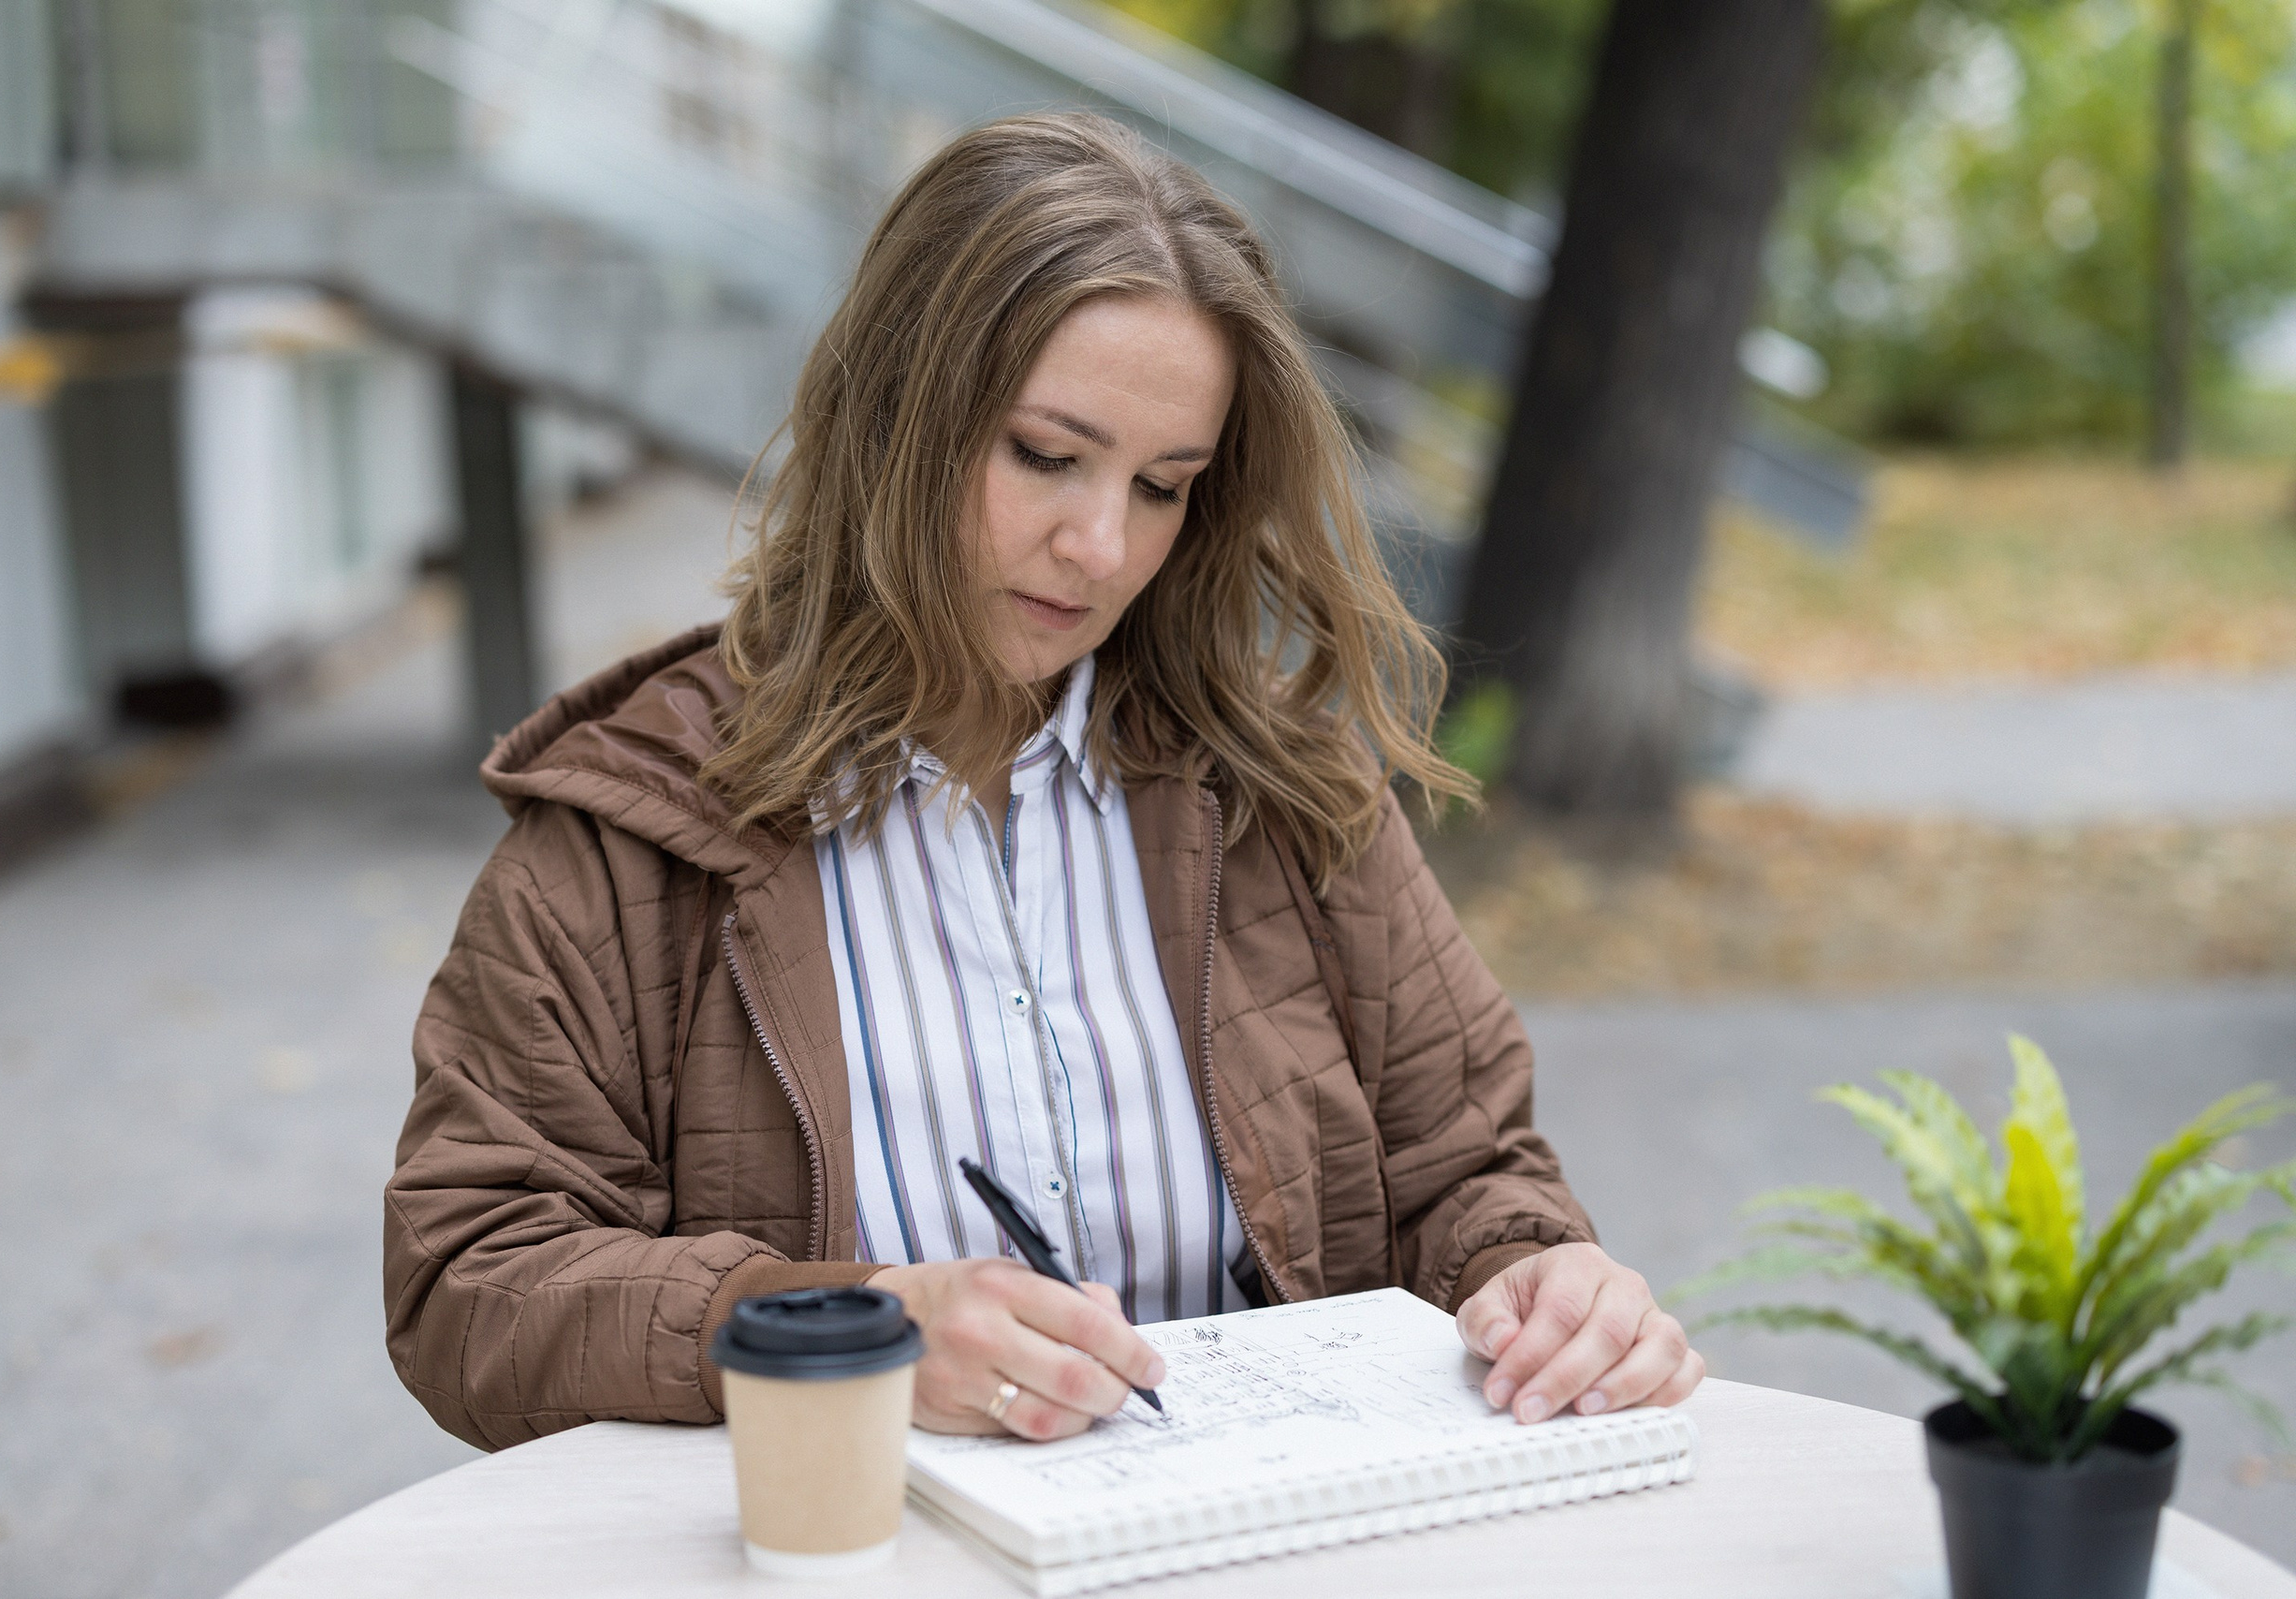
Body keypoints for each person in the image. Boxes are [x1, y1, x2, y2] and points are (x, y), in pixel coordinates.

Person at [384, 111, 1701, 1452]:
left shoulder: (1285, 798)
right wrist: (852, 1332)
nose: (1100, 546)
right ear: (895, 411)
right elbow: (468, 1282)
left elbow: (1467, 1175)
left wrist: (1533, 1279)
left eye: (1164, 485)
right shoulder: (629, 830)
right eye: (1046, 456)